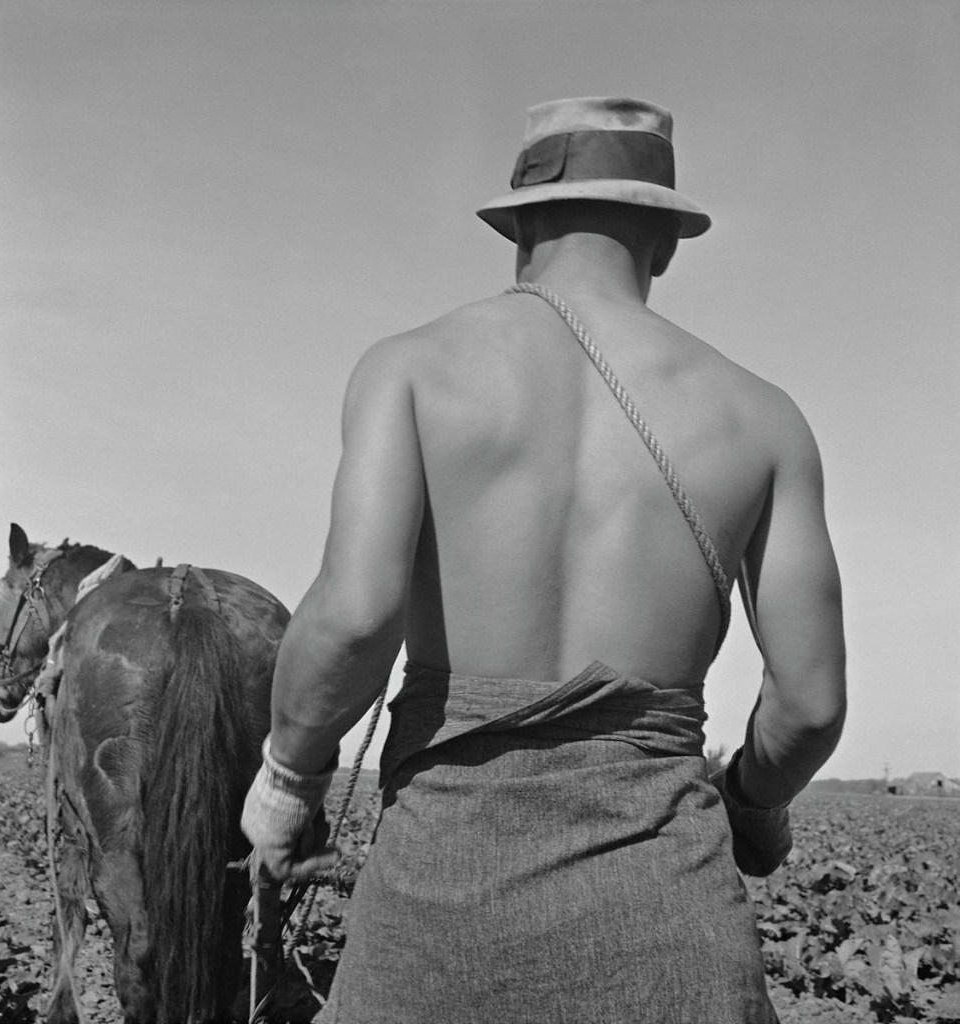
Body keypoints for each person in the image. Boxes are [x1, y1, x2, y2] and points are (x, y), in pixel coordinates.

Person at [242, 96, 846, 1023]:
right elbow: (807, 705)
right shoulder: (763, 419)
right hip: (669, 932)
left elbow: (356, 617)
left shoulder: (410, 368)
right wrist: (752, 808)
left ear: (518, 227)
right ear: (665, 243)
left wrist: (288, 783)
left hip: (436, 928)